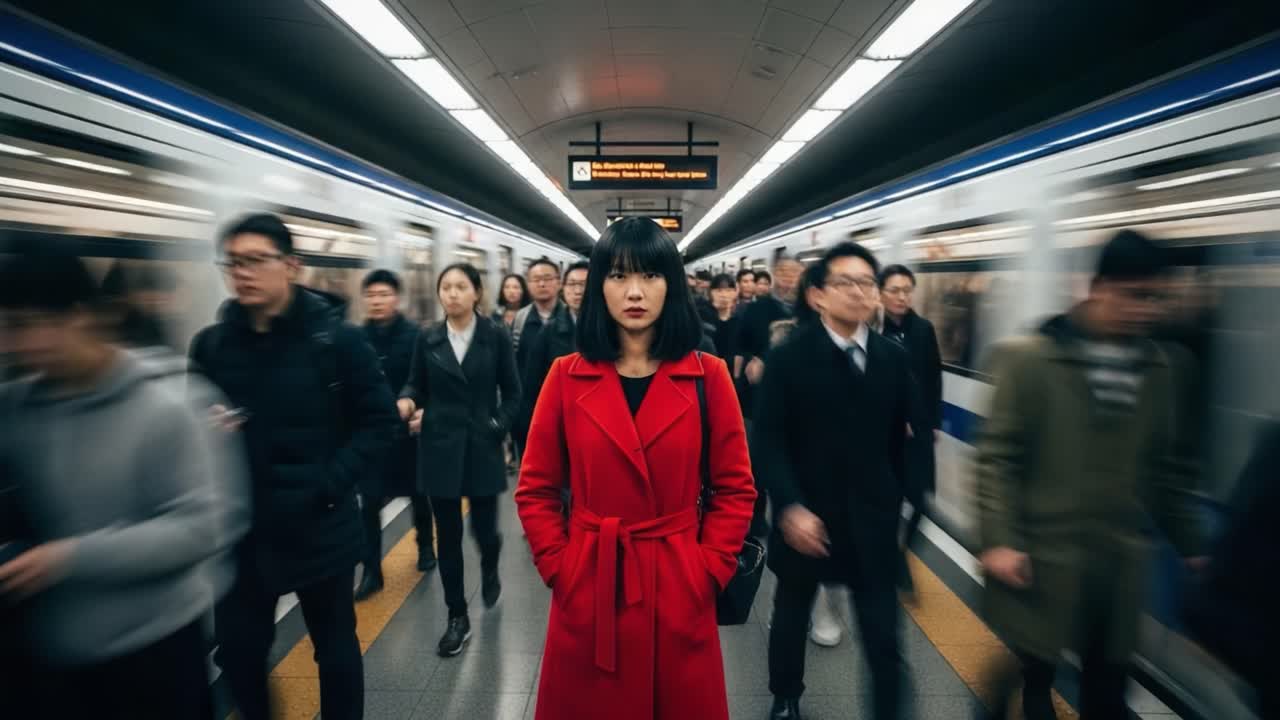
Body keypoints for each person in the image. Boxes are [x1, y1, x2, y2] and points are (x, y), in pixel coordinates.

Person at [515, 217, 756, 720]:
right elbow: (536, 488)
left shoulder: (707, 376)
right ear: (599, 285)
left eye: (650, 276)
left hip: (678, 584)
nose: (635, 292)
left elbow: (735, 489)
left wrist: (707, 570)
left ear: (672, 284)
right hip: (590, 584)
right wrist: (561, 567)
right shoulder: (565, 376)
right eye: (619, 276)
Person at [0, 253, 245, 719]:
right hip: (46, 657)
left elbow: (204, 525)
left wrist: (67, 558)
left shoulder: (168, 403)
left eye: (27, 324)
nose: (15, 343)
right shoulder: (14, 407)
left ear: (80, 315)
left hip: (153, 652)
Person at [976, 229, 1205, 720]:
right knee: (1034, 673)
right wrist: (998, 538)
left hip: (1116, 568)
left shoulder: (1164, 369)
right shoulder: (1031, 359)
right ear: (1098, 287)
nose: (1146, 309)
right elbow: (997, 456)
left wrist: (1193, 545)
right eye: (1135, 295)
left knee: (1106, 692)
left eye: (1156, 299)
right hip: (1041, 558)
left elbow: (1166, 471)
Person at [191, 213, 398, 720]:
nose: (242, 273)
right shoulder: (212, 346)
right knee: (239, 652)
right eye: (233, 263)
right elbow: (187, 424)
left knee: (335, 648)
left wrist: (328, 482)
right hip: (246, 532)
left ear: (291, 266)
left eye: (255, 260)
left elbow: (381, 423)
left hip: (319, 525)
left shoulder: (336, 342)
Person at [752, 242, 916, 720]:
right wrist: (788, 506)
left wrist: (900, 500)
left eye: (868, 283)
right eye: (846, 283)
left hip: (872, 519)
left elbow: (900, 437)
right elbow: (769, 440)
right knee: (791, 612)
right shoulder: (789, 357)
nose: (859, 293)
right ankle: (785, 698)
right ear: (818, 296)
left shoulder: (890, 357)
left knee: (884, 633)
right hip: (807, 514)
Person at [396, 263, 521, 657]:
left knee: (485, 533)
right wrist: (408, 399)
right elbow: (415, 381)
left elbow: (514, 393)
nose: (451, 294)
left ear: (477, 293)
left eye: (460, 287)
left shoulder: (495, 336)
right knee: (447, 537)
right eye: (445, 287)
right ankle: (457, 617)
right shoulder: (428, 337)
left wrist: (497, 425)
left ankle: (489, 567)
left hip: (481, 446)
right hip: (439, 446)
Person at [355, 269, 435, 602]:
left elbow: (425, 379)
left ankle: (425, 547)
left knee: (419, 495)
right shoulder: (356, 338)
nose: (377, 301)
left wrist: (419, 406)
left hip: (408, 434)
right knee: (369, 503)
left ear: (397, 299)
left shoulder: (416, 336)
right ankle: (372, 570)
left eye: (383, 294)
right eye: (371, 295)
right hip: (373, 436)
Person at [877, 264, 943, 594]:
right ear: (880, 293)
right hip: (885, 439)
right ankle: (892, 561)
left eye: (907, 290)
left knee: (921, 500)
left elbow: (933, 376)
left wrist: (933, 422)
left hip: (919, 432)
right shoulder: (871, 332)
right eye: (894, 290)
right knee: (888, 502)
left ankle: (900, 555)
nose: (902, 296)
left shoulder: (924, 329)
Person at [520, 260, 588, 431]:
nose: (578, 291)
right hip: (561, 422)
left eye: (584, 284)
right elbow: (532, 385)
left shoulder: (615, 330)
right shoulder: (548, 332)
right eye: (572, 284)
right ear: (563, 288)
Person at [706, 273, 740, 361]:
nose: (724, 295)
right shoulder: (702, 316)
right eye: (719, 290)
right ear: (711, 292)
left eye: (728, 290)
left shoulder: (739, 319)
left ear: (735, 293)